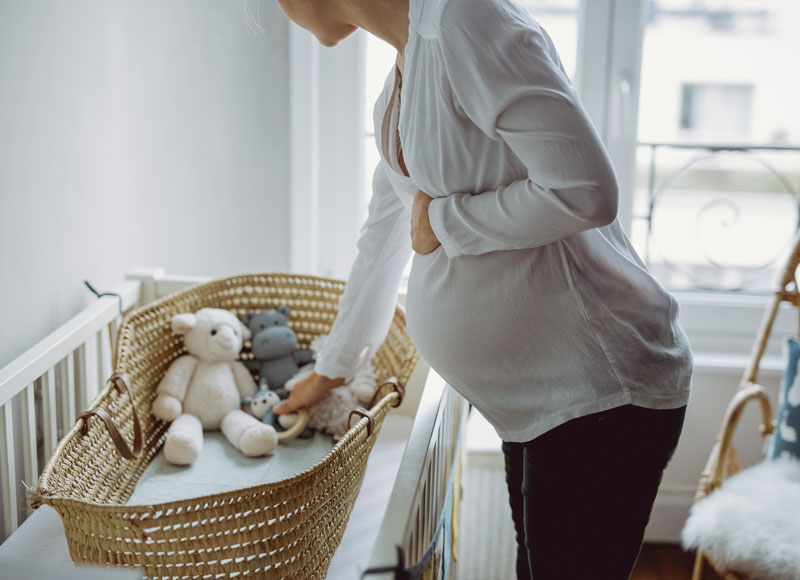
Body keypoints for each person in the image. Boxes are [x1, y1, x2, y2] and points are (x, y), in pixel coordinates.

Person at [273, 0, 693, 577]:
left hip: (598, 393)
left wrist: (446, 224)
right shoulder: (405, 75)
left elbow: (586, 191)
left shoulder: (467, 20)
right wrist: (333, 368)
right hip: (534, 403)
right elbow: (382, 241)